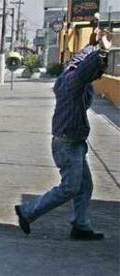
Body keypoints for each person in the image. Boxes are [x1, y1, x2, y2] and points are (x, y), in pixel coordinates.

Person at [14, 29, 112, 240]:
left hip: (73, 141)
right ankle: (27, 212)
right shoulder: (73, 81)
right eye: (99, 70)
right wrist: (103, 51)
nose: (100, 74)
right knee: (70, 188)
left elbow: (81, 59)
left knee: (85, 186)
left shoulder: (70, 72)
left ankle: (81, 226)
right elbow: (86, 67)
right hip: (67, 143)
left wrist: (93, 44)